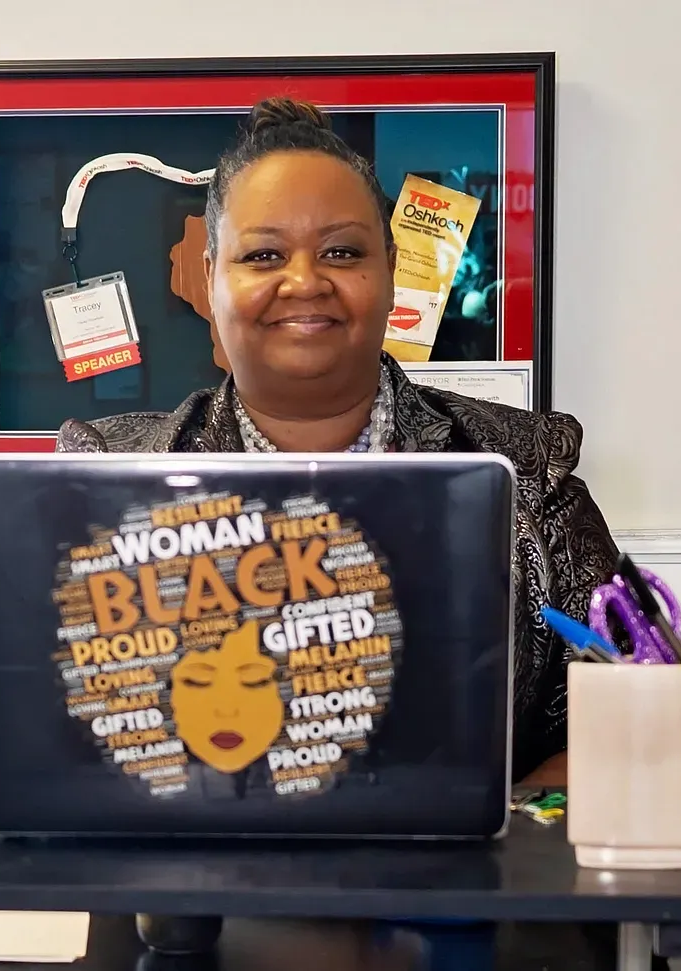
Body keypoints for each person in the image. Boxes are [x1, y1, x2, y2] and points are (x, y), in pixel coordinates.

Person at [57, 96, 620, 786]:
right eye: (263, 254)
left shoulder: (530, 476)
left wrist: (496, 834)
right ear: (209, 278)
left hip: (457, 887)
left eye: (341, 251)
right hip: (203, 889)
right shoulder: (105, 478)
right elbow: (67, 735)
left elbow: (628, 714)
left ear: (390, 271)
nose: (304, 280)